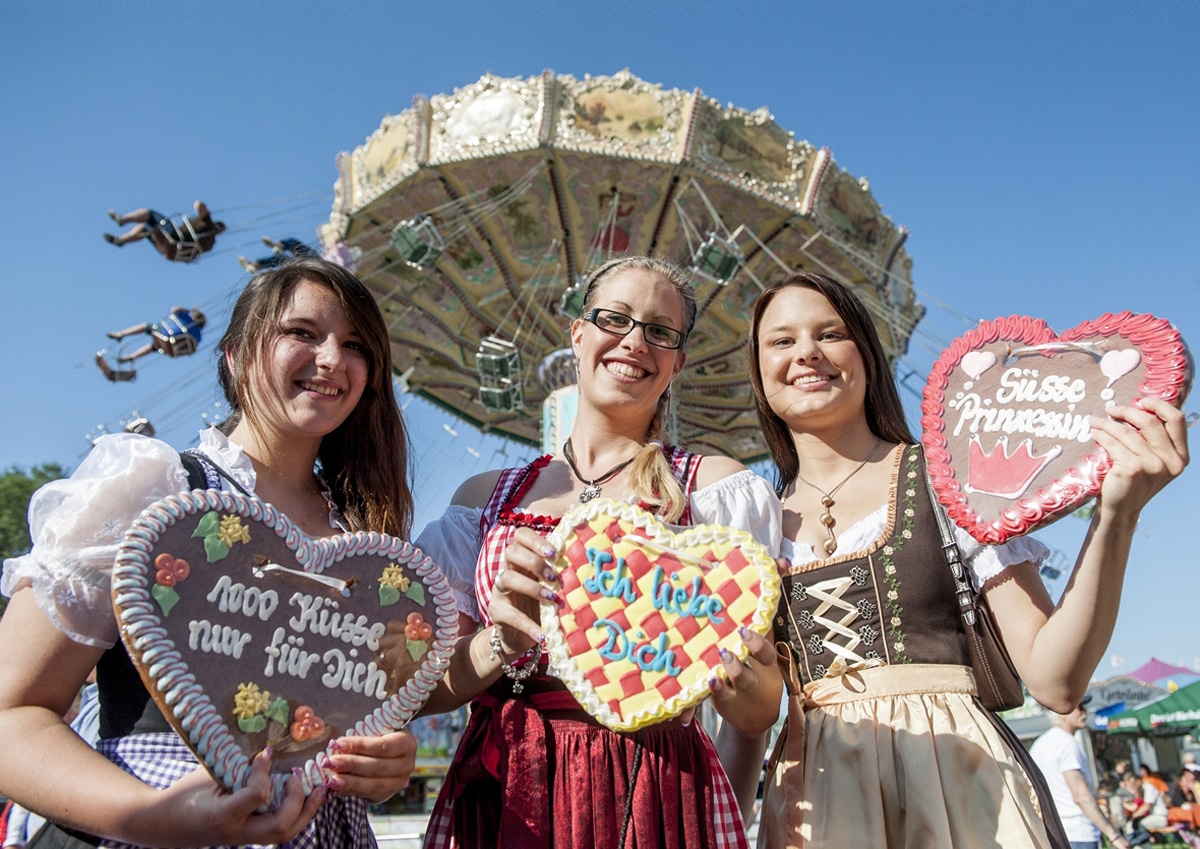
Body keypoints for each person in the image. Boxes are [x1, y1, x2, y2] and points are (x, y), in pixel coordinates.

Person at [733, 271, 1188, 848]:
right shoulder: (751, 526)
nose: (807, 353)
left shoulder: (950, 480)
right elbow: (748, 722)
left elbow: (1055, 681)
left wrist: (1116, 516)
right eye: (781, 340)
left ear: (866, 354)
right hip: (818, 802)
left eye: (831, 333)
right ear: (759, 370)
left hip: (959, 785)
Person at [0, 257, 418, 848]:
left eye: (355, 344)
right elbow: (11, 715)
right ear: (235, 354)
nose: (330, 359)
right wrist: (154, 817)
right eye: (301, 333)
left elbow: (353, 732)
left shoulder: (367, 544)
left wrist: (382, 767)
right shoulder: (151, 488)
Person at [412, 255, 783, 849]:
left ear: (678, 362)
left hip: (656, 788)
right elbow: (419, 691)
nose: (635, 341)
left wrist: (729, 814)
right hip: (508, 782)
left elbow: (757, 712)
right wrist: (497, 642)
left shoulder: (713, 490)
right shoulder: (483, 501)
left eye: (660, 331)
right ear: (578, 333)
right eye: (616, 318)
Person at [1031, 700, 1131, 849]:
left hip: (1054, 832)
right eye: (1079, 707)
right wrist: (1114, 835)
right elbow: (1081, 796)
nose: (1085, 712)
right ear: (1062, 713)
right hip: (1078, 832)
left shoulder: (1040, 745)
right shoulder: (1067, 743)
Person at [103, 200, 226, 262]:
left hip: (174, 237)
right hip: (171, 251)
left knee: (148, 213)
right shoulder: (209, 244)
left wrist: (207, 213)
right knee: (145, 228)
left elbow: (198, 204)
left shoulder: (208, 223)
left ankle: (123, 220)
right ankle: (120, 240)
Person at [239, 236, 317, 273]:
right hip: (309, 264)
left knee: (287, 258)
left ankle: (280, 246)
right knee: (285, 259)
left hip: (317, 264)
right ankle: (256, 265)